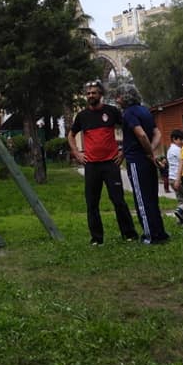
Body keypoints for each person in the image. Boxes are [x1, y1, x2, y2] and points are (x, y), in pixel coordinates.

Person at [67, 80, 137, 246]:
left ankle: (129, 234)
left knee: (118, 200)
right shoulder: (82, 116)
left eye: (94, 93)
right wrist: (77, 153)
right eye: (89, 93)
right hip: (91, 165)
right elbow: (71, 135)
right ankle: (97, 239)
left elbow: (129, 129)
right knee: (92, 203)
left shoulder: (112, 112)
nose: (91, 95)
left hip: (110, 164)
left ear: (101, 95)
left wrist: (123, 152)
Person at [117, 86, 169, 245]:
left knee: (141, 199)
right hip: (147, 161)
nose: (116, 100)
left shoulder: (129, 113)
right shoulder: (145, 111)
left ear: (125, 98)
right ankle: (159, 232)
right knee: (152, 197)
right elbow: (157, 133)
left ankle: (149, 236)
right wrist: (152, 150)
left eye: (118, 96)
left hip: (136, 160)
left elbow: (141, 134)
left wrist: (148, 151)